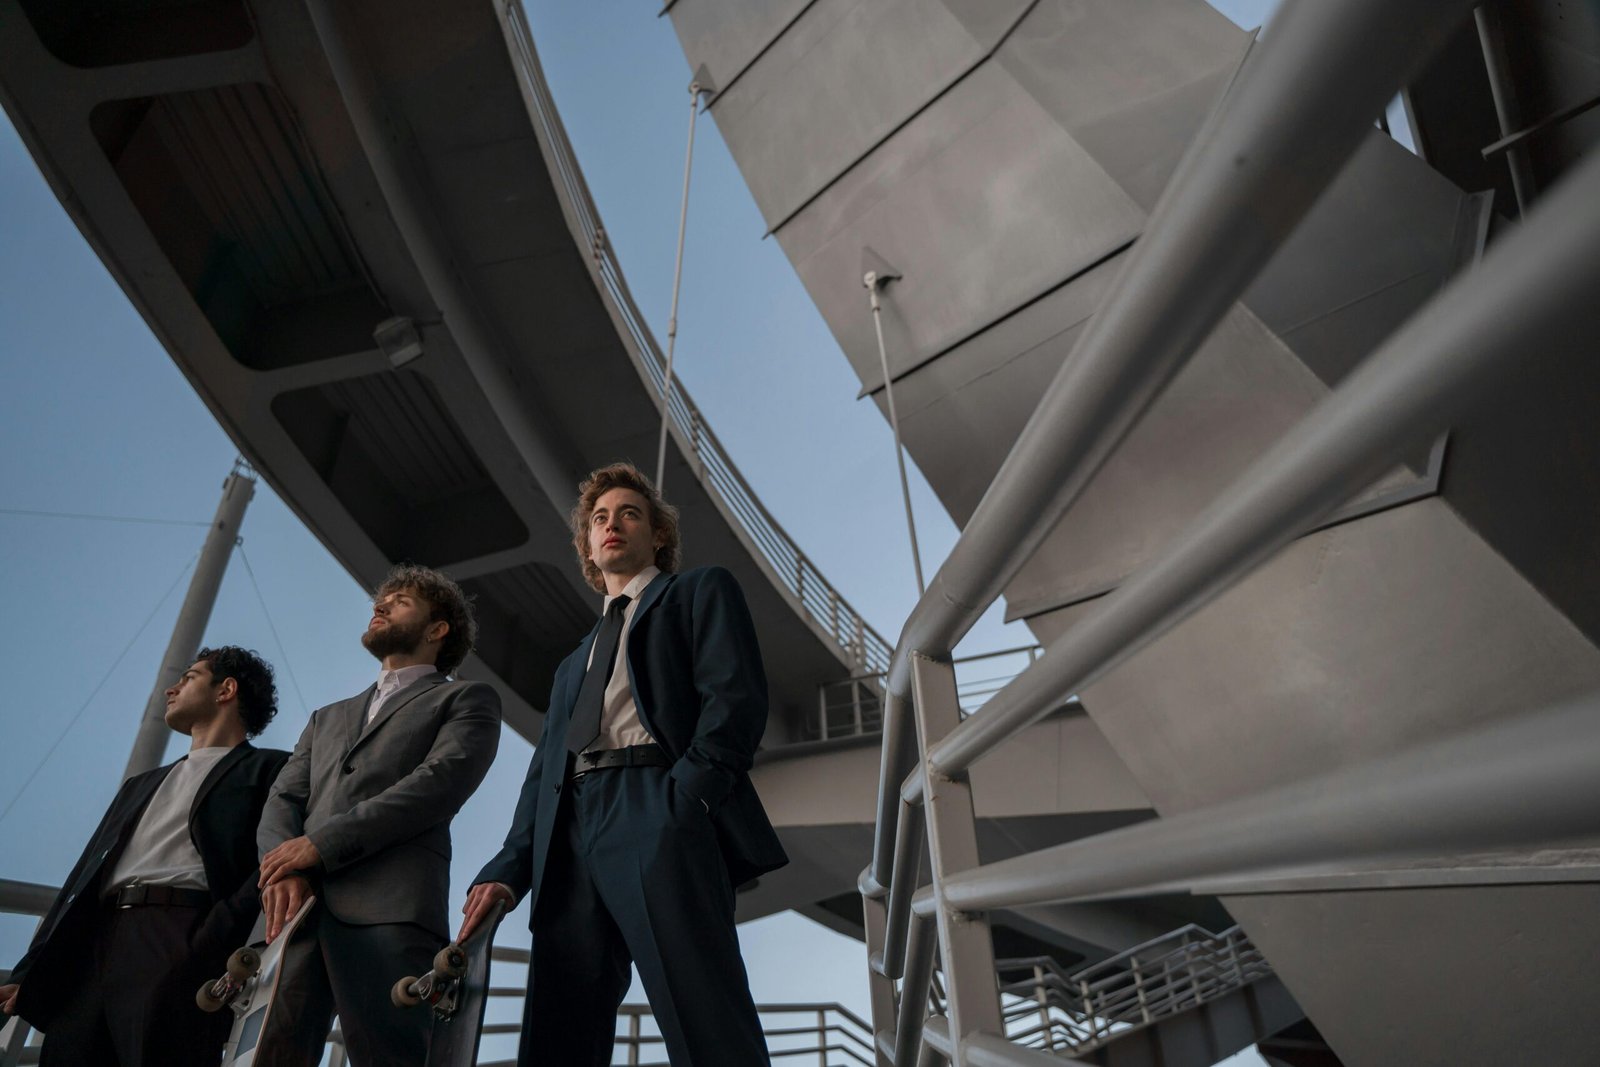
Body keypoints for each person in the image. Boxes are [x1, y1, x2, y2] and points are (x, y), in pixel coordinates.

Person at [461, 461, 788, 1066]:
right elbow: (543, 775)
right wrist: (509, 867)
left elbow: (734, 700)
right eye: (599, 519)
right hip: (568, 836)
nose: (611, 524)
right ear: (588, 545)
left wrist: (685, 800)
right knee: (558, 1036)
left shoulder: (698, 591)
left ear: (658, 534)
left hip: (657, 805)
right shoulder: (571, 665)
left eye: (629, 514)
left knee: (704, 1016)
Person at [253, 564, 501, 1066]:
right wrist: (282, 869)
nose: (381, 606)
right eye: (379, 601)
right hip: (292, 914)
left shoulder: (466, 698)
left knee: (391, 1056)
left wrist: (320, 844)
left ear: (437, 629)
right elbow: (283, 798)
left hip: (390, 910)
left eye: (401, 601)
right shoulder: (326, 717)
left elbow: (436, 784)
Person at [0, 646, 288, 1066]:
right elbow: (82, 879)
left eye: (189, 678)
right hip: (94, 944)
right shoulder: (140, 784)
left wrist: (213, 934)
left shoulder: (271, 769)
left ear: (226, 690)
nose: (171, 689)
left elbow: (274, 855)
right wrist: (30, 970)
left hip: (179, 933)